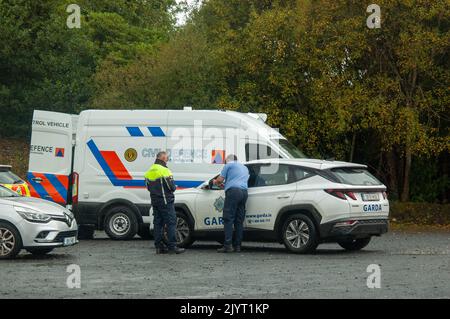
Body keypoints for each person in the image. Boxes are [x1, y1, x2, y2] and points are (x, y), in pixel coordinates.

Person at [144, 151, 185, 254]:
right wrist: (174, 187)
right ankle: (173, 246)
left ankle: (159, 247)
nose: (167, 160)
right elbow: (171, 187)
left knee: (158, 223)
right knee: (171, 222)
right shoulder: (165, 170)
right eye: (167, 158)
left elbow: (148, 187)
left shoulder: (148, 171)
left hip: (155, 201)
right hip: (166, 201)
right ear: (162, 158)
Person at [212, 154, 249, 253]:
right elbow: (238, 179)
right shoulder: (245, 168)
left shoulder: (228, 165)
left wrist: (215, 181)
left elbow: (220, 180)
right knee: (239, 220)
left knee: (228, 218)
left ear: (227, 160)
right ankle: (238, 246)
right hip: (244, 193)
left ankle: (228, 245)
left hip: (233, 192)